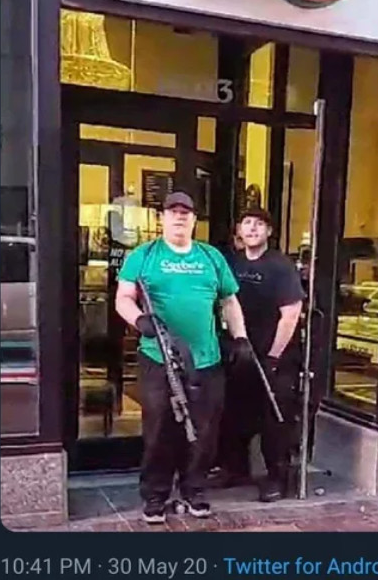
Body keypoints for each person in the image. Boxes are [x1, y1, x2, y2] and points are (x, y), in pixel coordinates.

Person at [115, 191, 252, 524]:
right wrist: (139, 320)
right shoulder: (143, 255)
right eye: (173, 211)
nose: (179, 217)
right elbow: (123, 297)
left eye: (186, 213)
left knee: (204, 431)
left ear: (194, 219)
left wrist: (241, 337)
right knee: (160, 428)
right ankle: (156, 496)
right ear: (162, 217)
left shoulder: (210, 256)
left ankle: (195, 489)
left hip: (206, 360)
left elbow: (229, 302)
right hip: (159, 357)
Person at [216, 207, 304, 502]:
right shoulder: (232, 263)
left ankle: (277, 477)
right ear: (239, 230)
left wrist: (274, 357)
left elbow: (290, 314)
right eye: (247, 223)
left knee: (274, 420)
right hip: (241, 353)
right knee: (234, 414)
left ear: (269, 231)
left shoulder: (281, 266)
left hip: (275, 356)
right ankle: (235, 469)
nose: (252, 229)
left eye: (259, 224)